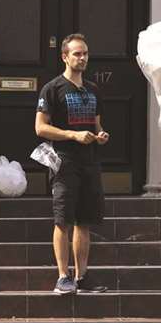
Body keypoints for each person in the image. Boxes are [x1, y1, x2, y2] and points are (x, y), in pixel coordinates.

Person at [35, 33, 110, 295]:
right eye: (77, 54)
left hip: (90, 161)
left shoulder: (93, 90)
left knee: (84, 222)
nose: (82, 58)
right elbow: (40, 128)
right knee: (62, 221)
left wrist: (101, 135)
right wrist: (72, 135)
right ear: (64, 56)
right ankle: (62, 277)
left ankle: (82, 277)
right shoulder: (52, 89)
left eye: (85, 53)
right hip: (64, 161)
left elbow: (97, 125)